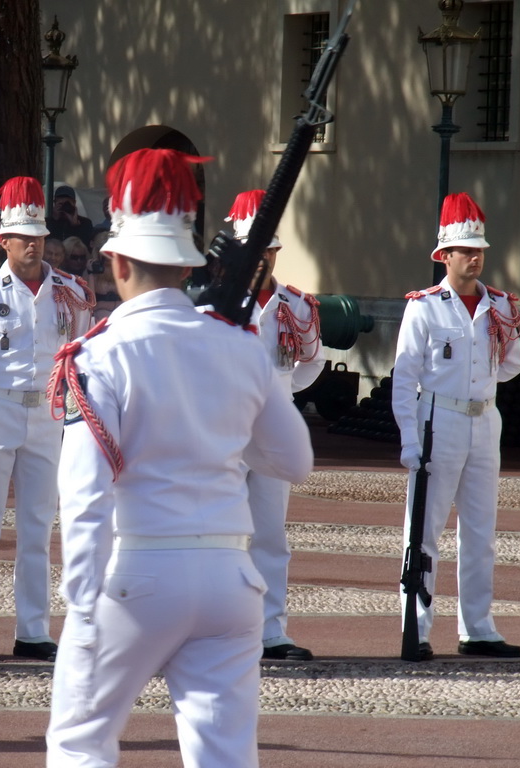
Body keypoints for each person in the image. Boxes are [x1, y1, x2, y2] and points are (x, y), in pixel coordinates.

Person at [45, 148, 314, 767]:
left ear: (115, 260)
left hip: (138, 571)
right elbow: (293, 461)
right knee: (223, 756)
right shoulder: (240, 346)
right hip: (230, 577)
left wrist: (82, 608)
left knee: (81, 743)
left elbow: (84, 494)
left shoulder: (99, 354)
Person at [0, 176, 93, 663]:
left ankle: (33, 629)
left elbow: (81, 359)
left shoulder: (71, 294)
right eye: (22, 237)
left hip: (49, 415)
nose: (32, 245)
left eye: (38, 236)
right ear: (2, 241)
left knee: (38, 526)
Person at [392, 192, 520, 661]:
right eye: (466, 250)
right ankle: (417, 626)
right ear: (444, 255)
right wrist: (409, 438)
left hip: (485, 420)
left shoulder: (500, 306)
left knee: (480, 531)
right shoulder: (424, 307)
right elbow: (404, 377)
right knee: (423, 530)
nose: (475, 258)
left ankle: (478, 628)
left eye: (480, 250)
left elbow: (510, 367)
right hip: (439, 419)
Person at [223, 189, 325, 662]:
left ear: (276, 251)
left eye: (268, 248)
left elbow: (309, 366)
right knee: (219, 532)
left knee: (270, 533)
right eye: (253, 247)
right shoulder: (218, 306)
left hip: (272, 431)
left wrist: (278, 399)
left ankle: (271, 631)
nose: (262, 256)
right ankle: (220, 627)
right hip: (225, 430)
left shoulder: (297, 306)